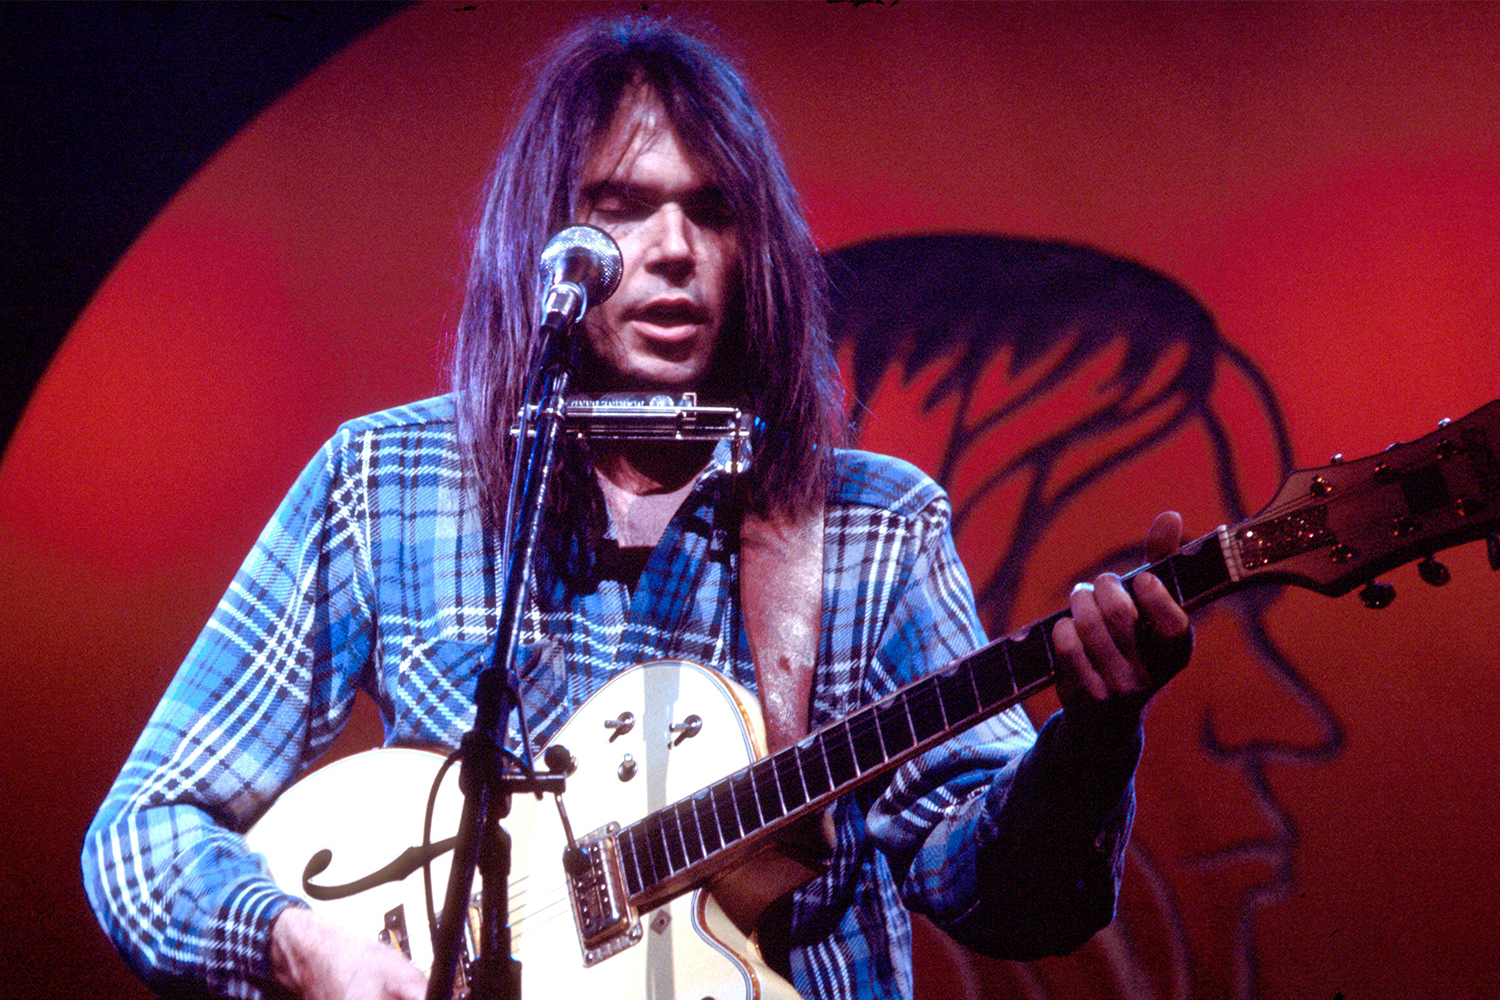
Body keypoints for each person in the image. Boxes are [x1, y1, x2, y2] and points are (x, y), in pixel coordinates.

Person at [82, 18, 1192, 1000]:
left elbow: (1007, 899)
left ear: (756, 250)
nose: (670, 252)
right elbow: (143, 832)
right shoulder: (386, 480)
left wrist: (1092, 739)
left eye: (712, 213)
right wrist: (300, 943)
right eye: (620, 209)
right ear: (540, 241)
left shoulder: (871, 528)